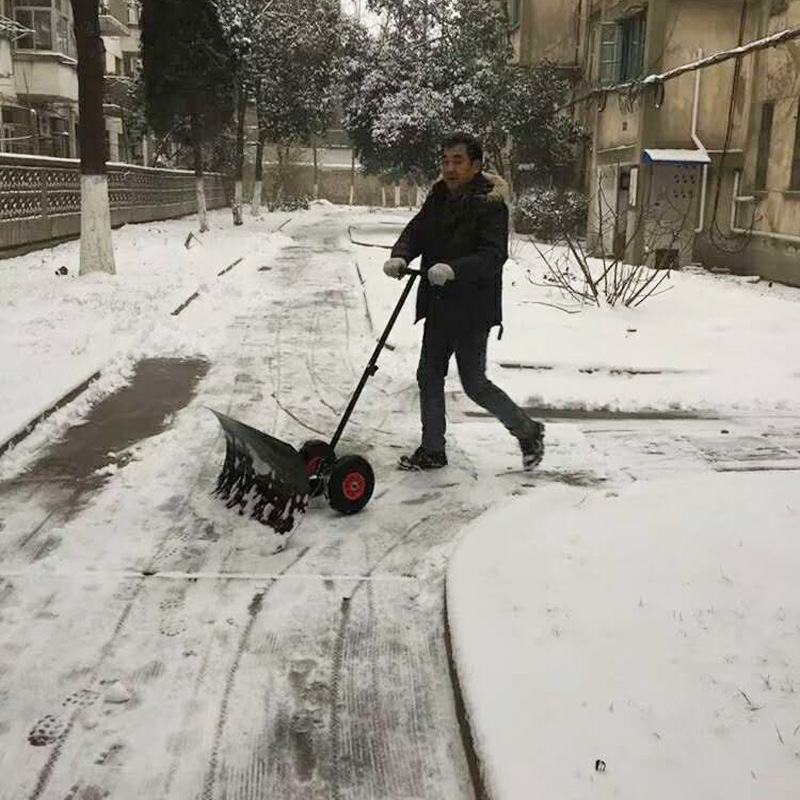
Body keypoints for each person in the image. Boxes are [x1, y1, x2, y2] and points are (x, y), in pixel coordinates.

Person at [383, 131, 545, 472]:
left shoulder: (490, 203)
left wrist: (453, 269)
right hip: (439, 303)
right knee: (428, 375)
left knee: (474, 384)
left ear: (476, 165)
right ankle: (433, 449)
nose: (450, 168)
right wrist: (401, 256)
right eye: (445, 161)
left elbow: (493, 255)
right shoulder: (439, 196)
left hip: (472, 309)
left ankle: (528, 431)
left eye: (457, 161)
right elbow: (417, 230)